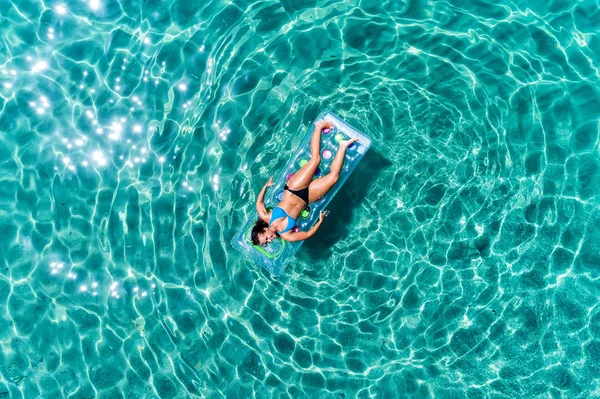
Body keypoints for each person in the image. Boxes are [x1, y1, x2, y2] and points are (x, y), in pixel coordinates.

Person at [250, 120, 358, 245]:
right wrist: (320, 221)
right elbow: (307, 234)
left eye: (266, 238)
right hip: (307, 198)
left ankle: (318, 127)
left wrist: (265, 186)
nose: (270, 240)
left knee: (315, 160)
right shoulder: (286, 235)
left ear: (264, 229)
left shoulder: (266, 217)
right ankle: (343, 146)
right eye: (267, 242)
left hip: (294, 188)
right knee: (333, 178)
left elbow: (259, 203)